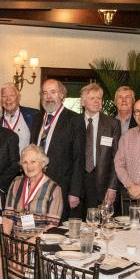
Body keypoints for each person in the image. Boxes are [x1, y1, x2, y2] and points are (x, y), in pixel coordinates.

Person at [0, 145, 63, 279]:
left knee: (20, 262)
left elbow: (51, 227)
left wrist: (26, 245)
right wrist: (4, 241)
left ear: (43, 163)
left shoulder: (54, 189)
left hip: (40, 242)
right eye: (25, 162)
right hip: (16, 239)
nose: (29, 166)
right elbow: (8, 217)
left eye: (33, 161)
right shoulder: (17, 183)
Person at [30, 79, 84, 217]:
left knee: (58, 229)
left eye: (53, 92)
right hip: (37, 184)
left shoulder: (75, 120)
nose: (48, 97)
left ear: (61, 95)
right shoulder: (37, 119)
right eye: (45, 93)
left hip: (63, 186)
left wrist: (75, 191)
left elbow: (79, 158)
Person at [79, 83, 121, 210]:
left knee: (98, 224)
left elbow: (116, 158)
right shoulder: (74, 122)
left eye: (99, 98)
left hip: (102, 183)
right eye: (92, 98)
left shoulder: (112, 124)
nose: (97, 101)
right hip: (78, 183)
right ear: (83, 102)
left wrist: (112, 187)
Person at [0, 83, 38, 151]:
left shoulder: (34, 115)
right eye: (4, 96)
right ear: (1, 100)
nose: (8, 99)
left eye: (12, 95)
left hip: (26, 161)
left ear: (19, 97)